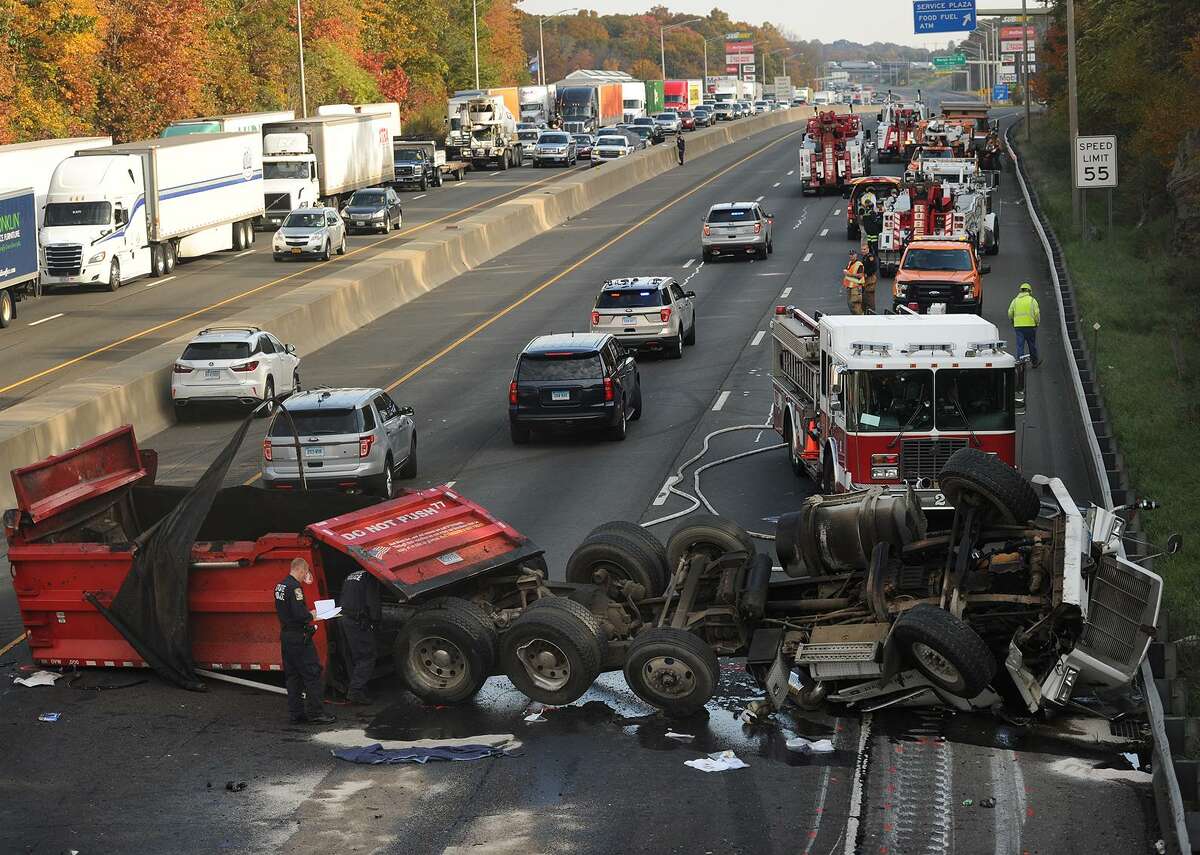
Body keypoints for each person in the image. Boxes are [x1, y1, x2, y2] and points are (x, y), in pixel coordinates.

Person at [275, 557, 336, 725]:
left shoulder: (280, 586)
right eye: (306, 572)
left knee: (293, 677)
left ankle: (296, 714)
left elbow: (286, 610)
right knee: (312, 674)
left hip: (287, 637)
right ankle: (316, 713)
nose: (305, 576)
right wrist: (313, 615)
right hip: (299, 638)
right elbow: (300, 614)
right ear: (301, 570)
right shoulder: (295, 587)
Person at [338, 569, 381, 705]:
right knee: (367, 655)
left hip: (343, 618)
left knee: (352, 656)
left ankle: (357, 688)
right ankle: (355, 691)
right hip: (357, 620)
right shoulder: (370, 577)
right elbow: (372, 602)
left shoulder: (351, 575)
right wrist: (376, 622)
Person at [1007, 282, 1042, 367]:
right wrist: (1037, 323)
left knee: (1020, 345)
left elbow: (1010, 312)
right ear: (1029, 291)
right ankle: (1034, 362)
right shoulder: (1032, 301)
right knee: (1031, 345)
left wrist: (1013, 321)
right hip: (1030, 326)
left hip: (1018, 327)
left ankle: (1020, 363)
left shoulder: (1015, 301)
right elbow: (1036, 314)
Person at [842, 250, 866, 315]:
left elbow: (860, 275)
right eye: (850, 254)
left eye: (853, 254)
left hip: (856, 287)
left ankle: (861, 319)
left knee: (856, 304)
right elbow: (848, 271)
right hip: (849, 286)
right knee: (850, 304)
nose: (851, 256)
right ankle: (855, 318)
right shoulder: (850, 263)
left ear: (856, 255)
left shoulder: (859, 264)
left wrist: (849, 274)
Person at [860, 245, 879, 314]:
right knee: (864, 296)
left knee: (869, 295)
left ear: (868, 249)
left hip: (870, 278)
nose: (863, 251)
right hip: (865, 279)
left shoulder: (871, 257)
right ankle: (865, 312)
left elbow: (874, 268)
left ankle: (872, 313)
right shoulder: (865, 257)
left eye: (864, 249)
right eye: (862, 249)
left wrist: (867, 274)